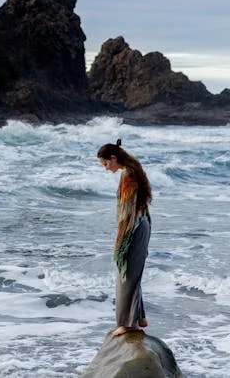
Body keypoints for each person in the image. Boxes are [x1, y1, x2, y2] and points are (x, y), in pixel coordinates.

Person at [97, 138, 152, 336]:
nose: (106, 169)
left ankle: (129, 324)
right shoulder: (133, 168)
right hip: (141, 224)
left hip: (134, 227)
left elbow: (127, 211)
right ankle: (139, 317)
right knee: (133, 272)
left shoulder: (128, 174)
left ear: (113, 158)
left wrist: (121, 239)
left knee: (126, 273)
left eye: (105, 164)